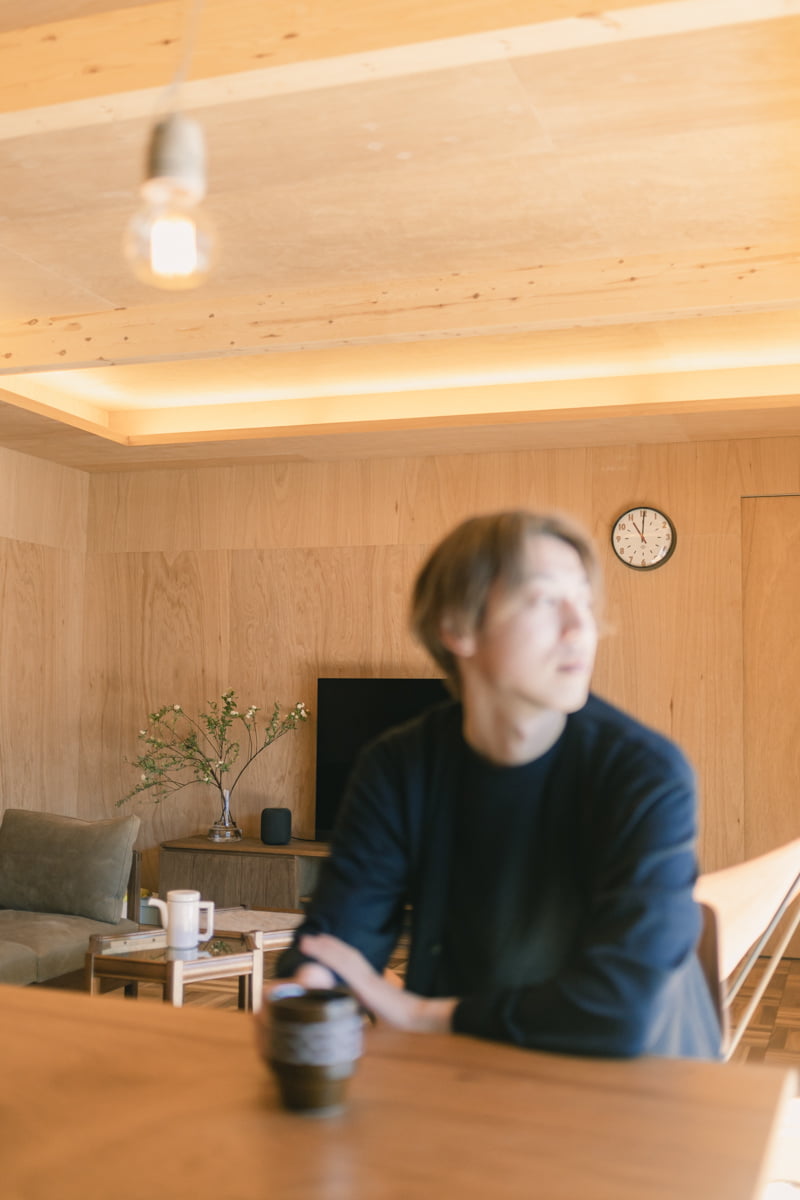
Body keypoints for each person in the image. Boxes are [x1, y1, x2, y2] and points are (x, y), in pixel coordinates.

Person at [275, 510, 722, 1059]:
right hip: (470, 1061)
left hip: (638, 1082)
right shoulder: (398, 766)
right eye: (545, 601)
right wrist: (306, 990)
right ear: (458, 628)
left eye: (583, 601)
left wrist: (419, 1015)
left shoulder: (643, 772)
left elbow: (620, 1012)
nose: (580, 629)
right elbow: (340, 937)